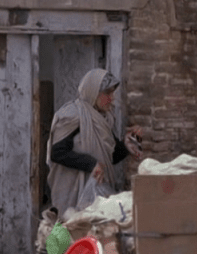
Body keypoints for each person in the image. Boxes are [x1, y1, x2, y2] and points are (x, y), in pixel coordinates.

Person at [46, 68, 142, 217]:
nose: (112, 98)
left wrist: (125, 146)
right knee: (70, 234)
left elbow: (110, 156)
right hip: (72, 194)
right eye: (107, 93)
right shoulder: (73, 115)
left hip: (96, 197)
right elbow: (57, 153)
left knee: (97, 234)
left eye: (112, 93)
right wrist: (91, 164)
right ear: (93, 92)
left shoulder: (104, 119)